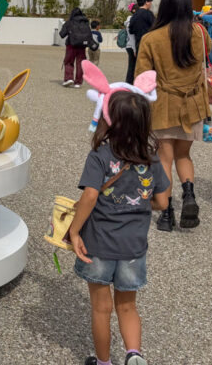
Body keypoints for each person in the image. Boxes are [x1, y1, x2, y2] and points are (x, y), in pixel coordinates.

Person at [69, 90, 169, 365]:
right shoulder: (151, 159)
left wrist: (74, 231)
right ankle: (133, 354)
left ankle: (104, 362)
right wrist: (140, 204)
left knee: (101, 309)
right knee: (127, 307)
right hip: (133, 246)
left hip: (98, 244)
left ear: (109, 120)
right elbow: (162, 201)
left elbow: (90, 196)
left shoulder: (100, 155)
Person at [135, 0, 210, 232]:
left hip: (163, 105)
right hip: (193, 105)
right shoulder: (199, 33)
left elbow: (142, 77)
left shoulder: (151, 38)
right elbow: (207, 56)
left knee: (164, 159)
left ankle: (166, 214)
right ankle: (189, 196)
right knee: (184, 156)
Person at [126, 0, 155, 83]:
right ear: (146, 2)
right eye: (150, 2)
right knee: (150, 66)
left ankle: (137, 84)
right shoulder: (148, 14)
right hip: (149, 44)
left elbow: (131, 30)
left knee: (139, 66)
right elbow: (156, 27)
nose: (151, 4)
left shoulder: (134, 16)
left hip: (138, 43)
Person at [59, 7, 91, 87]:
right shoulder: (85, 22)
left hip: (71, 45)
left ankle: (69, 78)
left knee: (69, 62)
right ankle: (78, 82)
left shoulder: (69, 22)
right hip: (82, 46)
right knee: (80, 63)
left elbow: (62, 34)